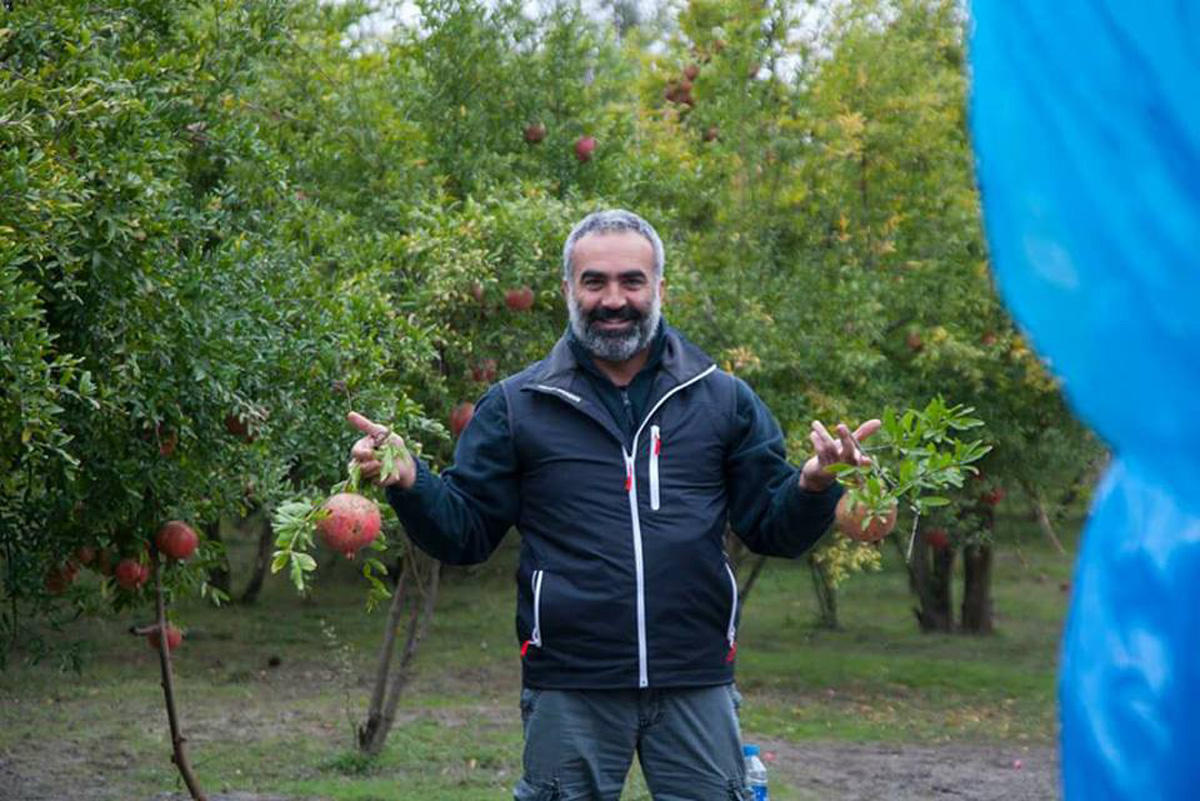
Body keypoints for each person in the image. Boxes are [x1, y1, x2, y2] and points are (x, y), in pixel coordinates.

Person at [347, 209, 878, 801]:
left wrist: (812, 485)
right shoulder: (518, 405)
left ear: (660, 288)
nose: (614, 299)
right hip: (570, 681)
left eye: (632, 281)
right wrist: (412, 480)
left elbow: (772, 529)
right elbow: (464, 533)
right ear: (567, 290)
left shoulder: (722, 399)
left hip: (695, 675)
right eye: (594, 282)